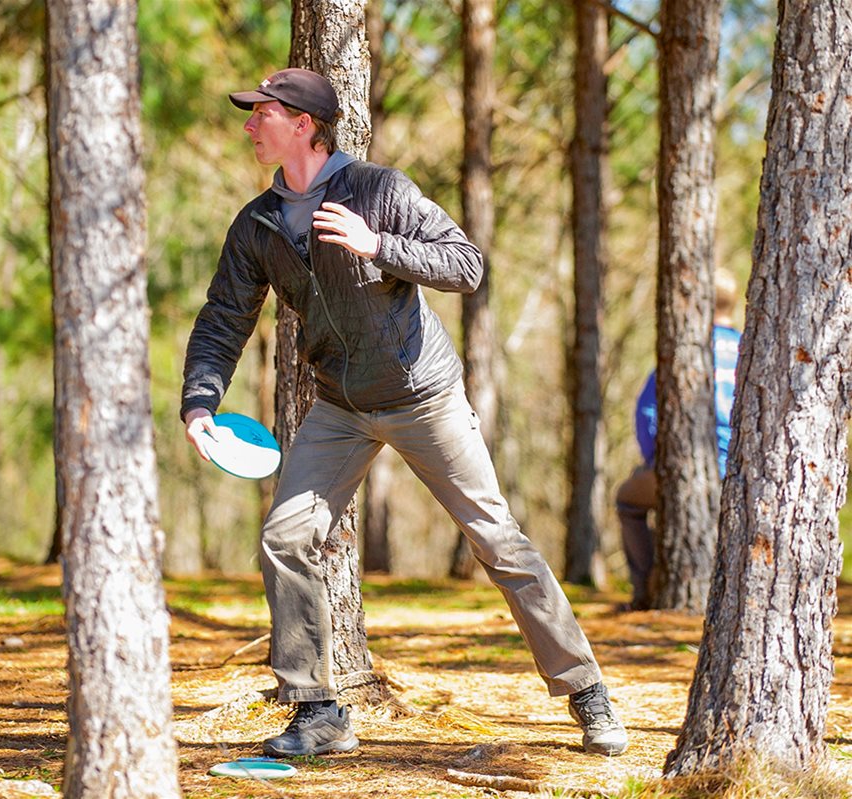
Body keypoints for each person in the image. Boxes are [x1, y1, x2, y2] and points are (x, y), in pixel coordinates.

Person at [180, 68, 627, 758]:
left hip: (425, 397)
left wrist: (377, 245)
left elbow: (465, 264)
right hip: (341, 407)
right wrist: (201, 400)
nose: (248, 125)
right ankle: (318, 710)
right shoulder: (258, 223)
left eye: (260, 113)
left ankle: (586, 689)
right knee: (284, 537)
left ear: (303, 124)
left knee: (497, 540)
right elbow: (222, 319)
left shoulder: (378, 190)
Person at [616, 270, 742, 610]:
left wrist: (656, 461)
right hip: (741, 473)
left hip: (691, 467)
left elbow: (648, 414)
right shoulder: (751, 349)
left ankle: (644, 591)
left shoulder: (685, 351)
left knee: (628, 499)